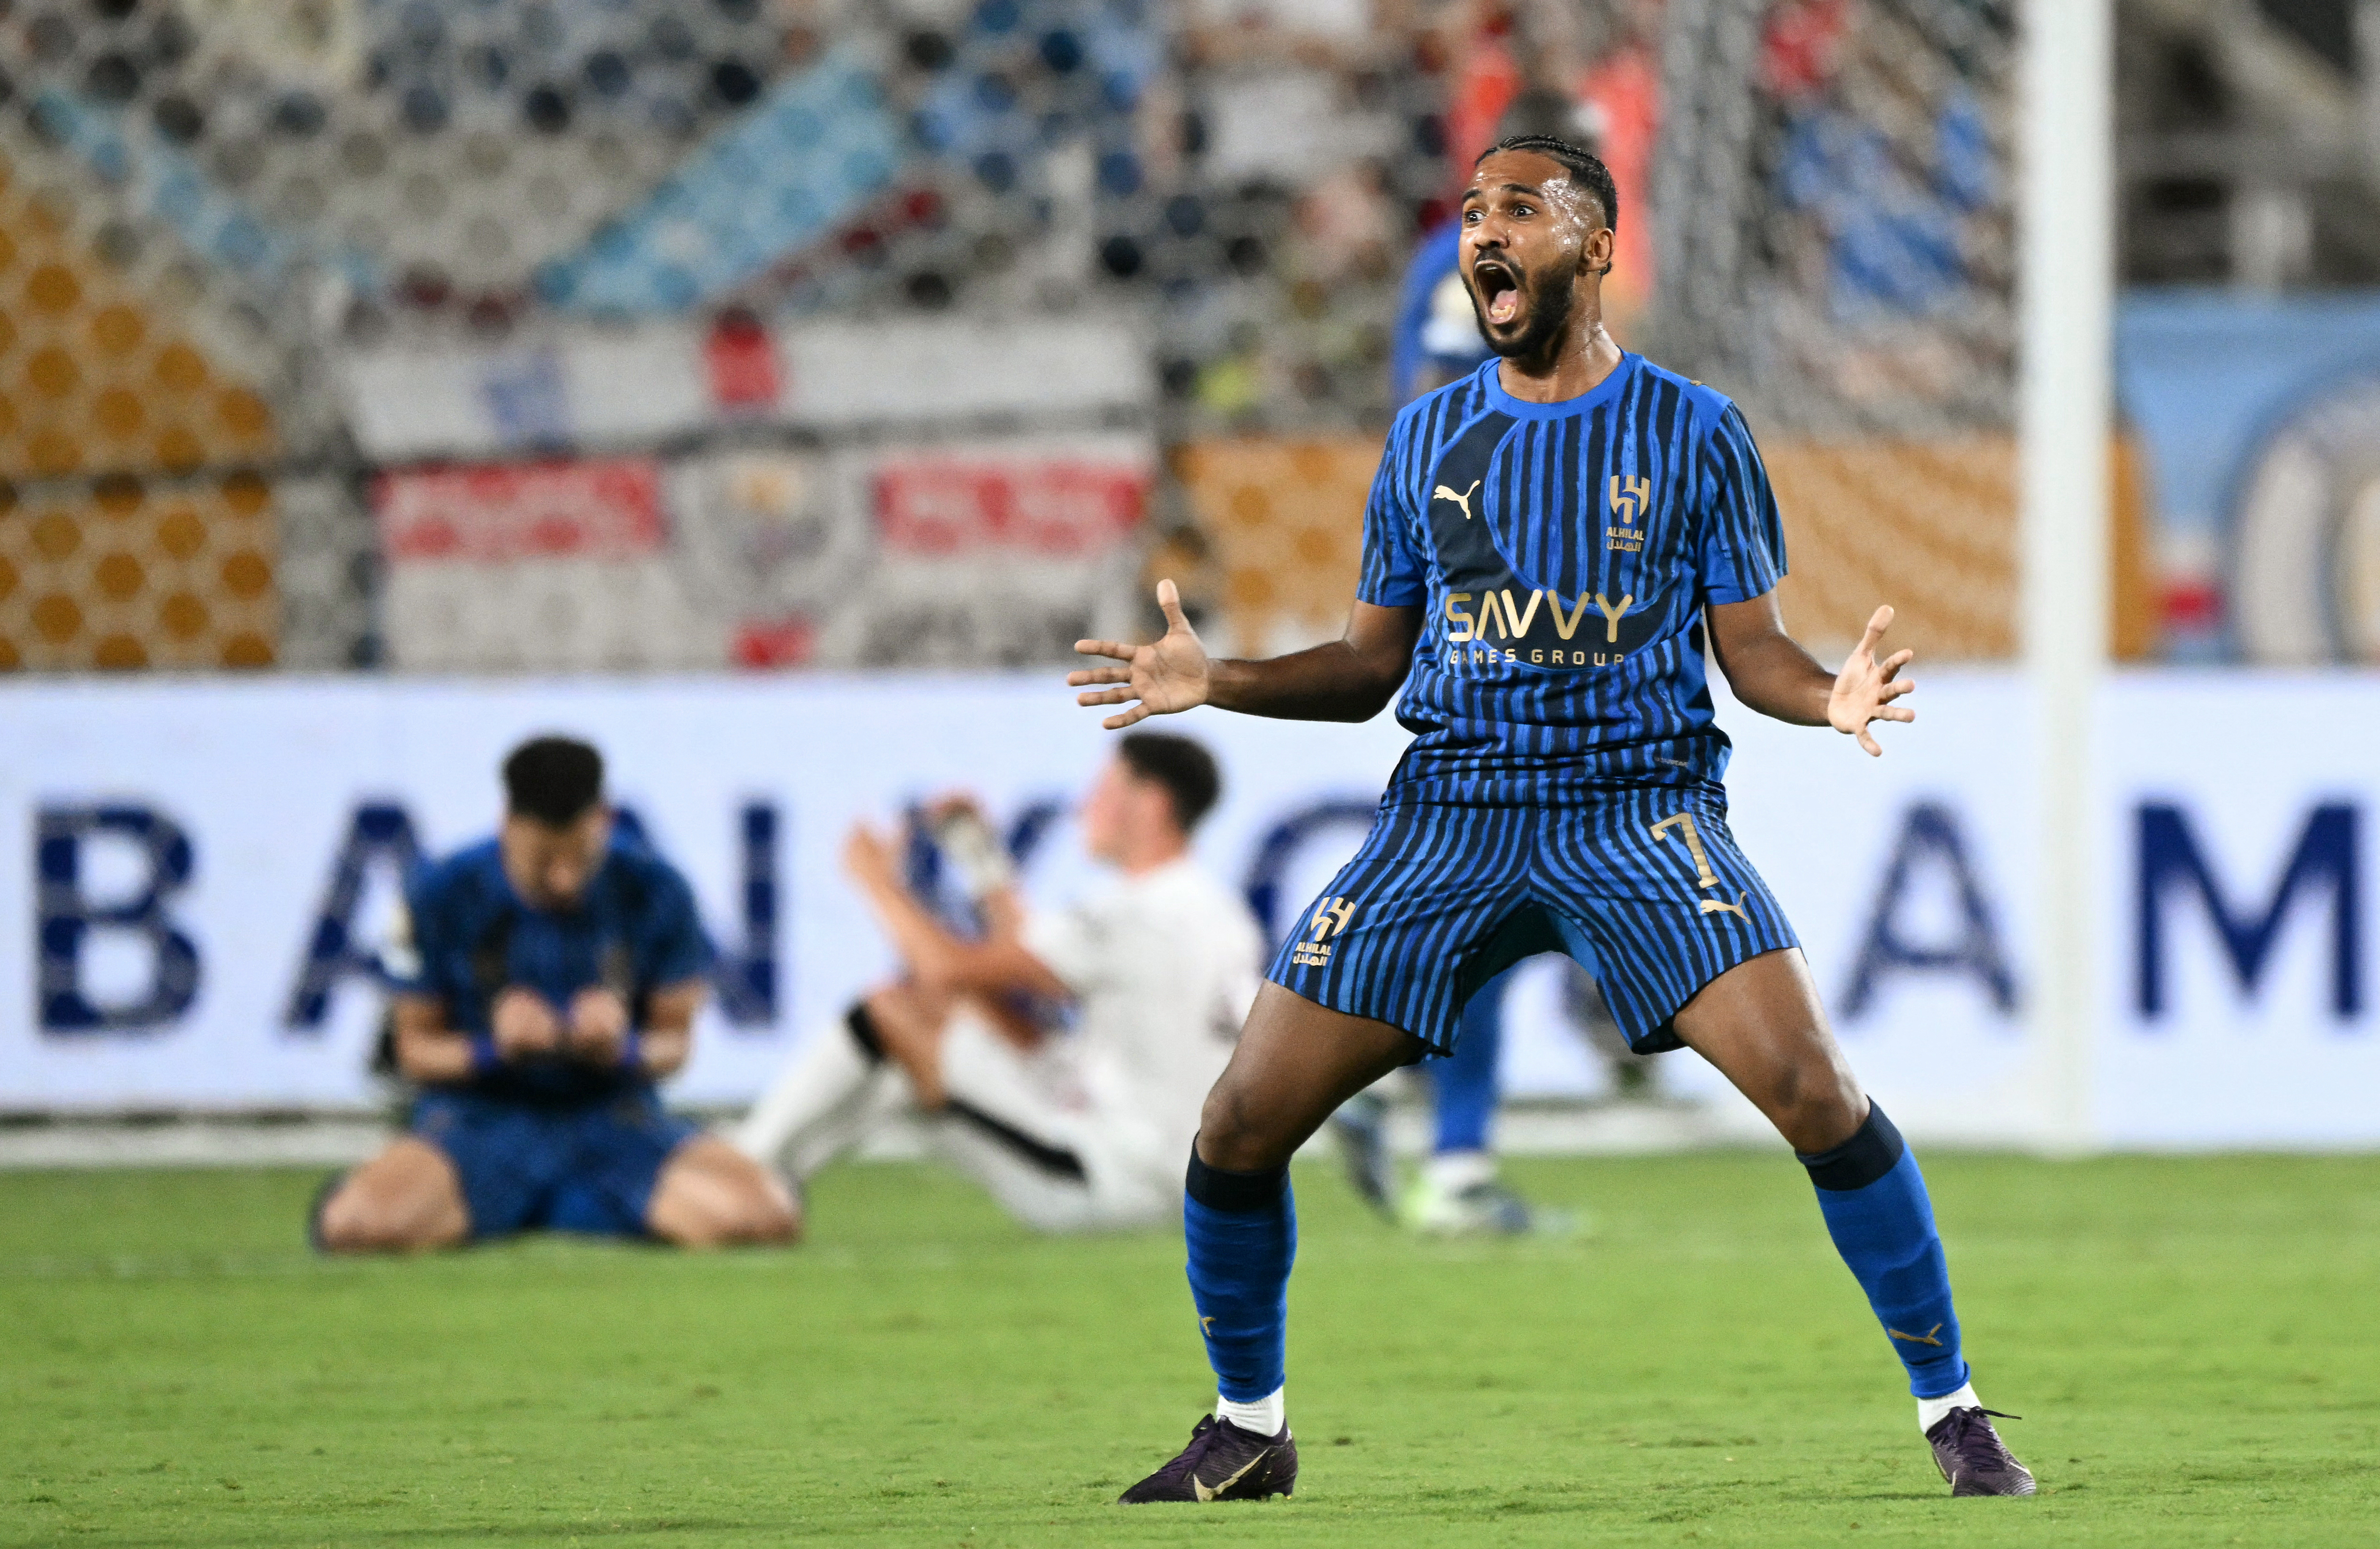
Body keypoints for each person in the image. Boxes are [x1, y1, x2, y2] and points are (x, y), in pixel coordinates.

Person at [1068, 135, 2034, 1500]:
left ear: (1592, 244)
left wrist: (1830, 701)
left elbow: (1750, 657)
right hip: (1449, 818)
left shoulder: (1695, 432)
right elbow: (1364, 671)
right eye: (1468, 212)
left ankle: (1957, 1413)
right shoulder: (1425, 438)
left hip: (1636, 813)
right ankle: (1247, 1425)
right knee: (1235, 1123)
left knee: (1815, 1090)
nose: (1481, 234)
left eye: (1516, 209)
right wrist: (1213, 677)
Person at [733, 733, 1264, 1234]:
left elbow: (943, 967)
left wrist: (875, 880)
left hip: (1110, 1176)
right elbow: (1025, 952)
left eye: (1104, 789)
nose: (1085, 806)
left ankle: (741, 1165)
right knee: (943, 1027)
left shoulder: (1134, 914)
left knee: (891, 1011)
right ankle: (767, 1180)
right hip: (1175, 1170)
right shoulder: (1216, 910)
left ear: (1150, 804)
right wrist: (974, 847)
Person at [313, 737, 799, 1252]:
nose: (564, 880)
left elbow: (675, 1044)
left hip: (614, 1119)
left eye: (579, 858)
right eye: (543, 860)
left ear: (604, 822)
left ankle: (520, 1209)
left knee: (764, 1216)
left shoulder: (657, 890)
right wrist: (493, 1049)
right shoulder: (440, 893)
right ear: (508, 826)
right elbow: (414, 1050)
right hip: (481, 1121)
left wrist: (623, 1047)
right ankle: (563, 1206)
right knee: (358, 1227)